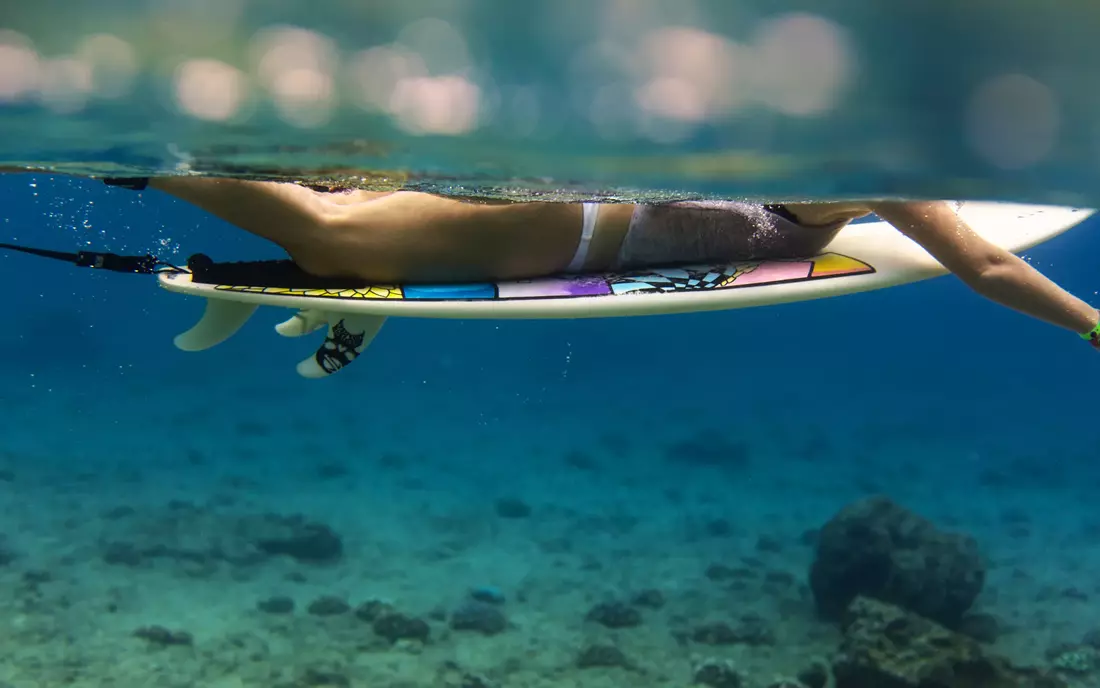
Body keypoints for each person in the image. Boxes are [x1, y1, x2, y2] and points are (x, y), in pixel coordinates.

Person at [100, 175, 1098, 350]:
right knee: (330, 233)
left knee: (340, 214)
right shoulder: (884, 165)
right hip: (572, 235)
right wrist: (1092, 326)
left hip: (558, 210)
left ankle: (347, 306)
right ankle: (148, 167)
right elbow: (988, 271)